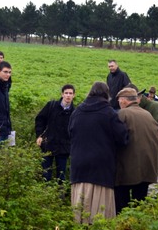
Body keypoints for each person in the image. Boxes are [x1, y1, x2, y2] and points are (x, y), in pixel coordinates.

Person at [68, 81, 128, 224]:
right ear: (107, 95)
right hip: (101, 166)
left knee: (80, 205)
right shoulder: (109, 113)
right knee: (100, 212)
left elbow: (70, 133)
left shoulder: (77, 111)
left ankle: (80, 224)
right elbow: (123, 138)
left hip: (79, 164)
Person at [114, 87, 158, 214]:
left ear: (123, 101)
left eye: (119, 100)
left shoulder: (122, 114)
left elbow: (115, 139)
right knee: (139, 206)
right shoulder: (148, 114)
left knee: (122, 208)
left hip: (127, 169)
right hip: (147, 169)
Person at [35, 84, 75, 183]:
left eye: (70, 93)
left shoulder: (75, 112)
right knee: (45, 174)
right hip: (48, 144)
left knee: (61, 175)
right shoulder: (51, 106)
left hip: (64, 147)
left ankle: (59, 196)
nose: (68, 95)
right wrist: (40, 135)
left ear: (74, 95)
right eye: (66, 93)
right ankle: (45, 195)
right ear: (62, 94)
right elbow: (40, 120)